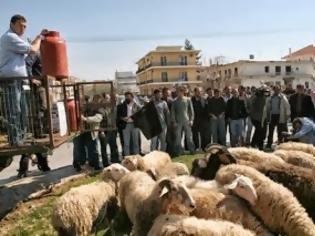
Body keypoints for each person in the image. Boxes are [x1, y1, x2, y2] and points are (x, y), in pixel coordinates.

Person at [0, 14, 47, 146]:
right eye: (21, 26)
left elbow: (29, 48)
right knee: (14, 111)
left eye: (25, 26)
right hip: (11, 80)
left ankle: (21, 137)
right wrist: (39, 38)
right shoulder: (9, 37)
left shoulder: (15, 39)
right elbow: (32, 50)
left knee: (23, 111)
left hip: (19, 80)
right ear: (12, 24)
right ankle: (15, 140)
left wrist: (38, 37)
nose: (24, 29)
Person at [263, 85, 290, 149]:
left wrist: (287, 115)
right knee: (270, 130)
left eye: (278, 89)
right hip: (272, 115)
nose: (276, 91)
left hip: (280, 116)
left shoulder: (283, 97)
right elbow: (267, 107)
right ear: (273, 90)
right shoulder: (270, 97)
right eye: (275, 89)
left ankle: (280, 143)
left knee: (280, 131)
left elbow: (287, 106)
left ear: (280, 90)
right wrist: (266, 115)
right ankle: (269, 144)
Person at [171, 86, 195, 156]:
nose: (179, 93)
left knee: (189, 137)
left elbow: (191, 111)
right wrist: (174, 121)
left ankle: (192, 151)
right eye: (178, 91)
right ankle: (178, 152)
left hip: (187, 121)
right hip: (178, 122)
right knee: (178, 138)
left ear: (183, 92)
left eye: (181, 91)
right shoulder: (174, 101)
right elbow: (173, 113)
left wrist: (191, 120)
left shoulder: (188, 100)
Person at [117, 91, 141, 156]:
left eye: (129, 97)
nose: (127, 98)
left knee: (136, 143)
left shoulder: (136, 105)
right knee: (126, 143)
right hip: (126, 125)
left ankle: (137, 157)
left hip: (135, 125)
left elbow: (141, 113)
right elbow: (118, 116)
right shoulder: (121, 105)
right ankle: (127, 158)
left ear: (132, 97)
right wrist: (123, 118)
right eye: (126, 97)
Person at [99, 94, 119, 167]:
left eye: (109, 98)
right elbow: (99, 122)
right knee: (104, 148)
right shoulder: (100, 109)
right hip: (104, 131)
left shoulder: (112, 107)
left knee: (114, 146)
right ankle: (105, 163)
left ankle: (115, 160)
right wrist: (101, 131)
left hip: (112, 130)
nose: (108, 100)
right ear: (103, 99)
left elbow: (115, 118)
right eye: (107, 98)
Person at [162, 87, 175, 156]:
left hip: (170, 122)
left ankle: (171, 151)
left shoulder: (171, 101)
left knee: (171, 137)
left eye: (169, 93)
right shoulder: (160, 101)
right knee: (163, 138)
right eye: (167, 93)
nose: (168, 94)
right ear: (163, 93)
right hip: (162, 122)